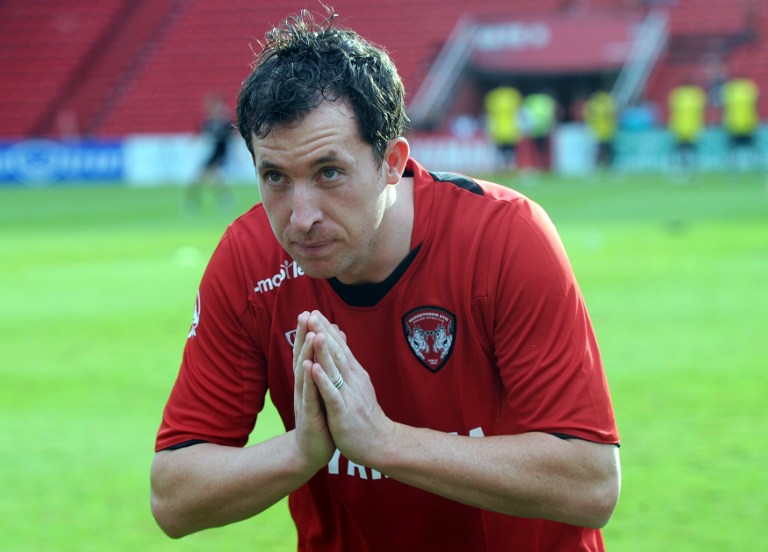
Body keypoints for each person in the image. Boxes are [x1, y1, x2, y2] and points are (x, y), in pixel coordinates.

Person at [151, 7, 621, 551]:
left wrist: (384, 442)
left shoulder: (504, 237)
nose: (300, 216)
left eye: (329, 173)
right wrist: (301, 450)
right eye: (274, 177)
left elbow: (591, 482)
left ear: (392, 162)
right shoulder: (249, 260)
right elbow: (173, 498)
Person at [184, 92, 235, 213]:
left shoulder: (224, 121)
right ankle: (224, 199)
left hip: (220, 152)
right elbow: (201, 131)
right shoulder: (210, 121)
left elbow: (231, 135)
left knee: (206, 177)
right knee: (207, 178)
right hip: (214, 152)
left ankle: (194, 202)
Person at [667, 81, 707, 180]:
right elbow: (701, 112)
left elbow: (672, 112)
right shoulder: (697, 95)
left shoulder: (677, 95)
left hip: (680, 128)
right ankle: (692, 170)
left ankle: (680, 170)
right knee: (692, 151)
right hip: (693, 128)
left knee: (680, 151)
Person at [721, 76, 760, 172]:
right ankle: (751, 167)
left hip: (736, 125)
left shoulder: (730, 90)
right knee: (749, 147)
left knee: (733, 148)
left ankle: (732, 168)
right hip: (746, 125)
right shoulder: (749, 89)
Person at [483, 85, 523, 171]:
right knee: (510, 150)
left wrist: (489, 129)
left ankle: (502, 167)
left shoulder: (493, 96)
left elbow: (490, 115)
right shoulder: (513, 95)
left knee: (501, 150)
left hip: (498, 130)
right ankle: (509, 167)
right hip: (511, 129)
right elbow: (518, 114)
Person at [582, 90, 618, 175]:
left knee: (600, 151)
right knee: (605, 151)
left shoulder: (593, 103)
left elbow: (588, 116)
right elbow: (614, 115)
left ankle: (597, 169)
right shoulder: (609, 102)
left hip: (600, 132)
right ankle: (603, 169)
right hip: (606, 131)